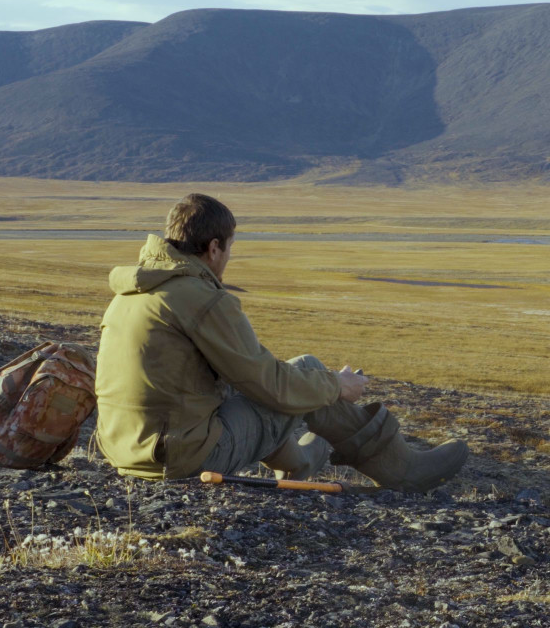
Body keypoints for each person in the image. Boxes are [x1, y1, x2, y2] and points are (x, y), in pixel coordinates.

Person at [94, 193, 468, 490]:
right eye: (229, 247)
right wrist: (336, 385)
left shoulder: (134, 291)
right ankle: (401, 469)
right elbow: (270, 385)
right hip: (178, 458)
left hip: (126, 450)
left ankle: (299, 463)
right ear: (213, 248)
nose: (228, 257)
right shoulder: (200, 297)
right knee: (304, 369)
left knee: (263, 388)